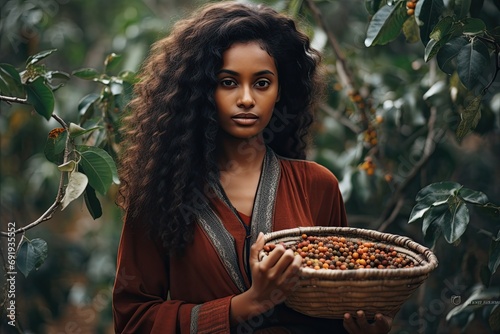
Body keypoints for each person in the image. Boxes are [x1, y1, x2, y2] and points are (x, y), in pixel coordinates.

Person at [112, 1, 392, 333]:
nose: (246, 98)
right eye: (228, 82)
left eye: (262, 83)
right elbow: (133, 320)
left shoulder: (318, 186)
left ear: (281, 91)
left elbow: (335, 306)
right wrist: (245, 305)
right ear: (202, 91)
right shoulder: (161, 192)